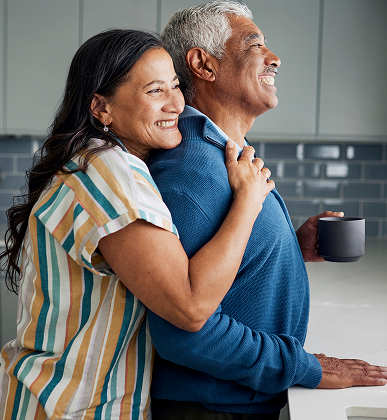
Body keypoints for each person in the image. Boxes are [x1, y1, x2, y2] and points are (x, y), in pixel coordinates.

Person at [0, 28, 275, 420]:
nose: (176, 103)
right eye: (155, 91)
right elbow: (190, 307)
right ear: (101, 108)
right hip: (67, 407)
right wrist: (248, 201)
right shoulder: (109, 174)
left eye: (175, 86)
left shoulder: (104, 162)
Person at [146, 2, 387, 419]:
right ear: (204, 64)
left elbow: (221, 272)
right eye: (253, 43)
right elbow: (186, 334)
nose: (273, 57)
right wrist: (304, 366)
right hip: (211, 408)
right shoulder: (192, 170)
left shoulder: (219, 154)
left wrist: (290, 247)